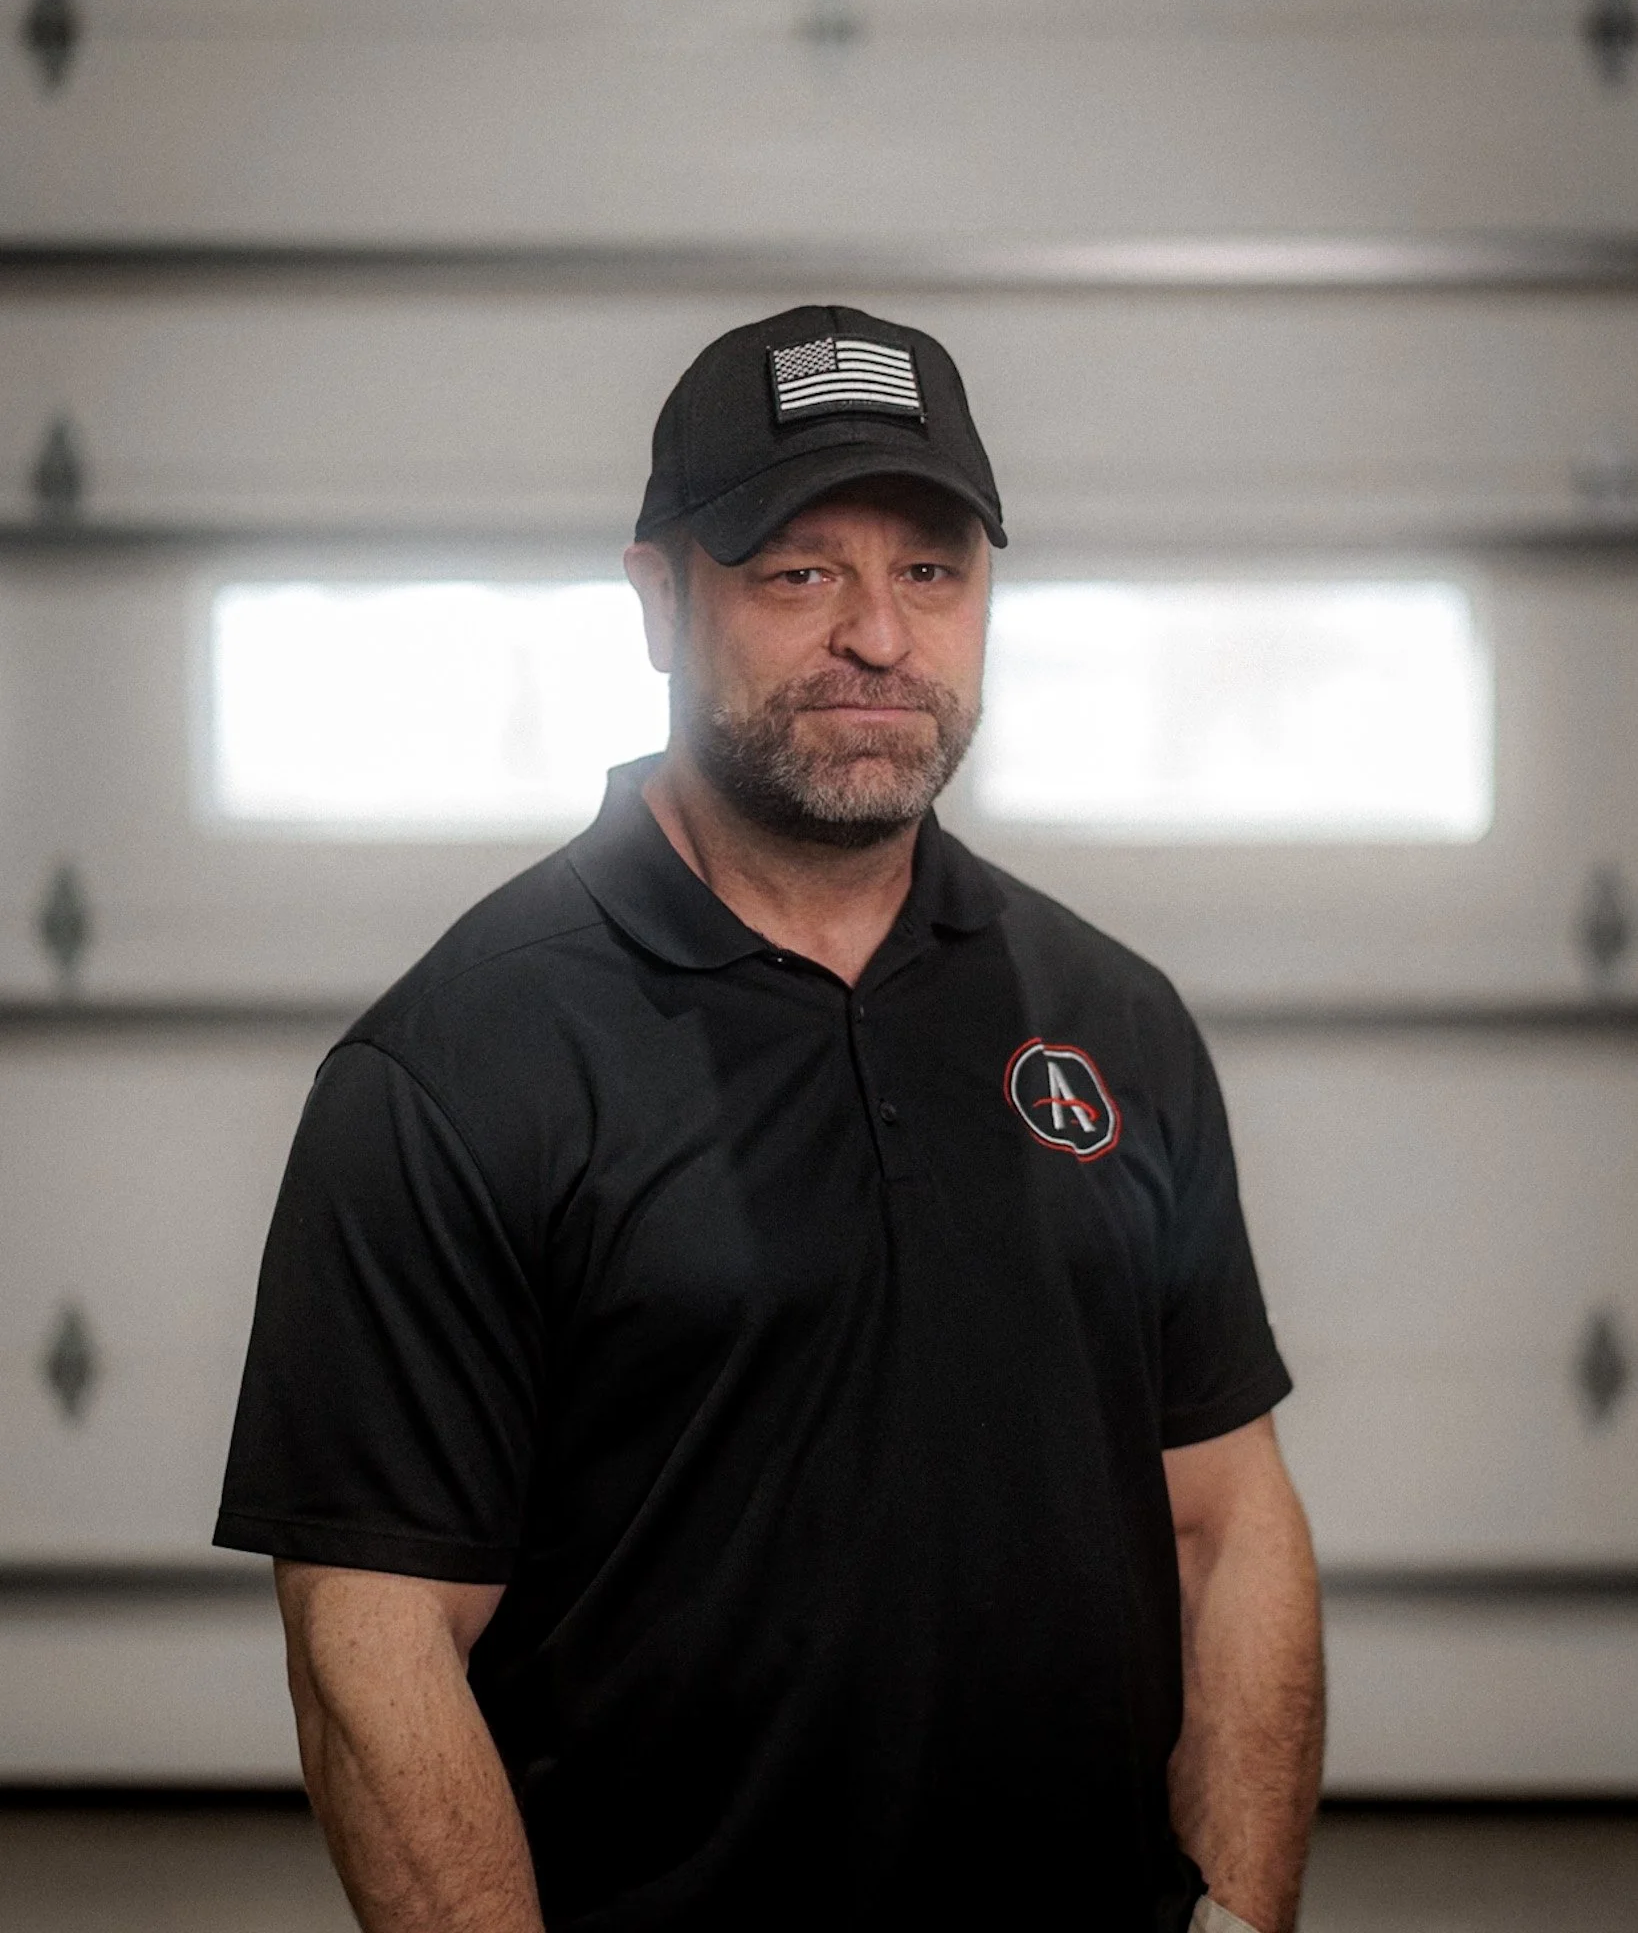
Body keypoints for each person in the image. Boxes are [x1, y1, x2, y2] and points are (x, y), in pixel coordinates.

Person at [216, 305, 1323, 1933]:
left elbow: (1225, 1521)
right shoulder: (458, 1065)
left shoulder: (1113, 1018)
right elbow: (373, 1647)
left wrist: (1235, 1913)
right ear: (658, 602)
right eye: (799, 572)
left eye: (931, 570)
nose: (878, 635)